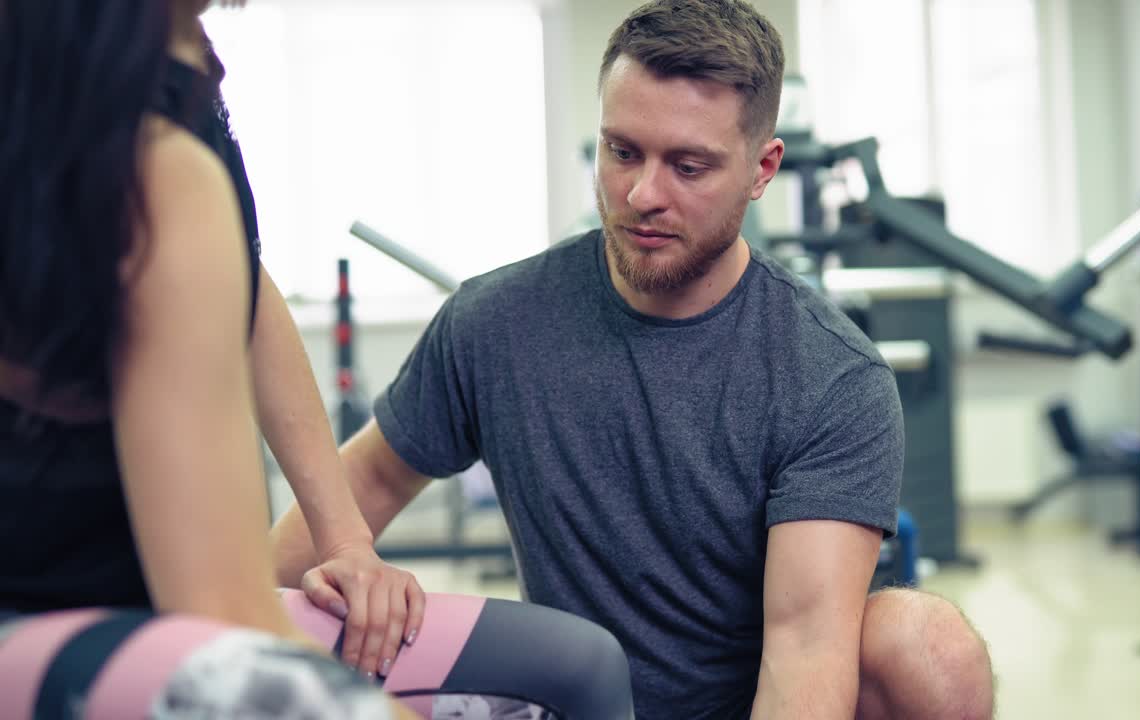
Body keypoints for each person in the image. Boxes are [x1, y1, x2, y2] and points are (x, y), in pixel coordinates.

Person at [270, 1, 997, 718]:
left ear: (761, 168)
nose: (643, 195)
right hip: (568, 698)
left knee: (932, 647)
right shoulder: (496, 323)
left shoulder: (829, 376)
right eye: (623, 152)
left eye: (689, 166)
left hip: (747, 706)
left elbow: (805, 651)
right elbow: (364, 478)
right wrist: (204, 618)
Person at [0, 1, 633, 717]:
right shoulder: (146, 168)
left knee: (578, 667)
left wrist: (346, 541)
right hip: (65, 626)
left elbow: (243, 281)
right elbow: (224, 635)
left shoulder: (171, 75)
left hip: (163, 613)